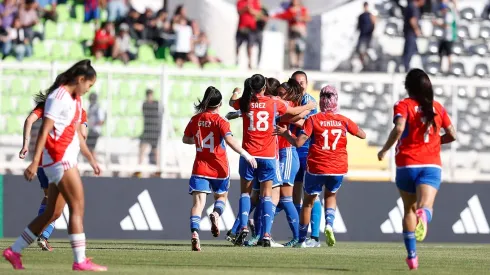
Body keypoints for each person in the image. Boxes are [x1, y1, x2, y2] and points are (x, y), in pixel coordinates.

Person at [2, 59, 107, 271]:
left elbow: (78, 135)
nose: (89, 90)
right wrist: (34, 161)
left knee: (52, 213)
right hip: (60, 159)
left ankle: (14, 251)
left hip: (65, 159)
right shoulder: (58, 97)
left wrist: (91, 158)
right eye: (89, 85)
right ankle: (80, 260)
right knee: (77, 206)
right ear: (80, 79)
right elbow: (43, 130)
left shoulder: (76, 100)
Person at [377, 69, 456, 270]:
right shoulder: (438, 108)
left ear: (408, 87)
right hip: (430, 164)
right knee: (425, 207)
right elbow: (452, 134)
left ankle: (412, 257)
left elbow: (400, 128)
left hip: (406, 164)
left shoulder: (403, 105)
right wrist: (437, 142)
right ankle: (424, 216)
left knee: (408, 209)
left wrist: (385, 149)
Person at [229, 74, 315, 247]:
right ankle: (265, 234)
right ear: (264, 88)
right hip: (269, 155)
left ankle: (244, 227)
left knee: (250, 194)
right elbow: (292, 113)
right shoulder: (274, 103)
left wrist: (236, 92)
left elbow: (233, 102)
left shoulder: (246, 102)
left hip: (251, 154)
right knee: (267, 196)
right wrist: (310, 106)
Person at [276, 85, 366, 248]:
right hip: (338, 167)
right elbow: (362, 134)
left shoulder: (313, 119)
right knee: (330, 197)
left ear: (321, 102)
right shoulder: (343, 120)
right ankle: (329, 225)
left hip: (317, 167)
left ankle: (302, 240)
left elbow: (298, 142)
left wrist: (285, 134)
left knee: (308, 203)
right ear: (335, 101)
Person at [182, 86, 257, 251]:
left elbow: (185, 139)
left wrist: (200, 141)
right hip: (219, 168)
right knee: (221, 197)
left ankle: (195, 233)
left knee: (198, 203)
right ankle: (216, 214)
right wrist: (246, 154)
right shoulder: (221, 121)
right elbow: (230, 141)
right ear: (220, 103)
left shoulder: (196, 119)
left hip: (200, 167)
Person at [19, 100, 88, 252]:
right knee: (64, 203)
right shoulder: (79, 110)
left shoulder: (48, 105)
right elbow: (83, 134)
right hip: (60, 161)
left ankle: (35, 237)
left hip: (42, 160)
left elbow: (29, 120)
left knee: (49, 198)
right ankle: (42, 236)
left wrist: (25, 145)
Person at [290, 70, 322, 248]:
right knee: (295, 196)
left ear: (307, 84)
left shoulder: (310, 102)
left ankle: (315, 236)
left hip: (307, 151)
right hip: (292, 150)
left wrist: (291, 117)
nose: (300, 85)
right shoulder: (291, 101)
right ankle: (298, 235)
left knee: (312, 196)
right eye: (297, 82)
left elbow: (307, 125)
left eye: (303, 82)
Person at [272, 0, 311, 69]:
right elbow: (283, 16)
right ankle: (293, 64)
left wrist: (301, 18)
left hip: (300, 31)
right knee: (292, 47)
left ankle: (299, 64)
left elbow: (308, 18)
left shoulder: (303, 9)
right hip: (292, 30)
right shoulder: (290, 10)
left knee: (300, 48)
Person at [136, 89, 162, 177]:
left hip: (154, 131)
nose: (149, 97)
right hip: (147, 130)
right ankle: (138, 169)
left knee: (155, 151)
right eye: (148, 95)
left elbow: (161, 112)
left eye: (150, 95)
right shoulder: (145, 104)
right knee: (142, 149)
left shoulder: (157, 104)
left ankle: (158, 170)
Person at [236, 0, 263, 69]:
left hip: (251, 29)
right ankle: (236, 61)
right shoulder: (240, 1)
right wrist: (245, 8)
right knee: (237, 46)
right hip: (241, 27)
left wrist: (250, 10)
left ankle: (249, 63)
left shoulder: (255, 1)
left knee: (250, 46)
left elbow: (259, 13)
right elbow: (239, 12)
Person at [432, 3, 457, 74]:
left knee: (448, 53)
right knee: (440, 52)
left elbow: (447, 25)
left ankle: (450, 68)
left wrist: (437, 23)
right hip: (444, 37)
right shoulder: (445, 15)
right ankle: (441, 67)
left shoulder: (449, 15)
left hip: (449, 37)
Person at [402, 0, 425, 72]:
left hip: (409, 33)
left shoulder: (411, 6)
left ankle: (408, 67)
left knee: (411, 51)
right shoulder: (413, 7)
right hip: (411, 33)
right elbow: (412, 20)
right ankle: (406, 68)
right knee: (409, 51)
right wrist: (417, 30)